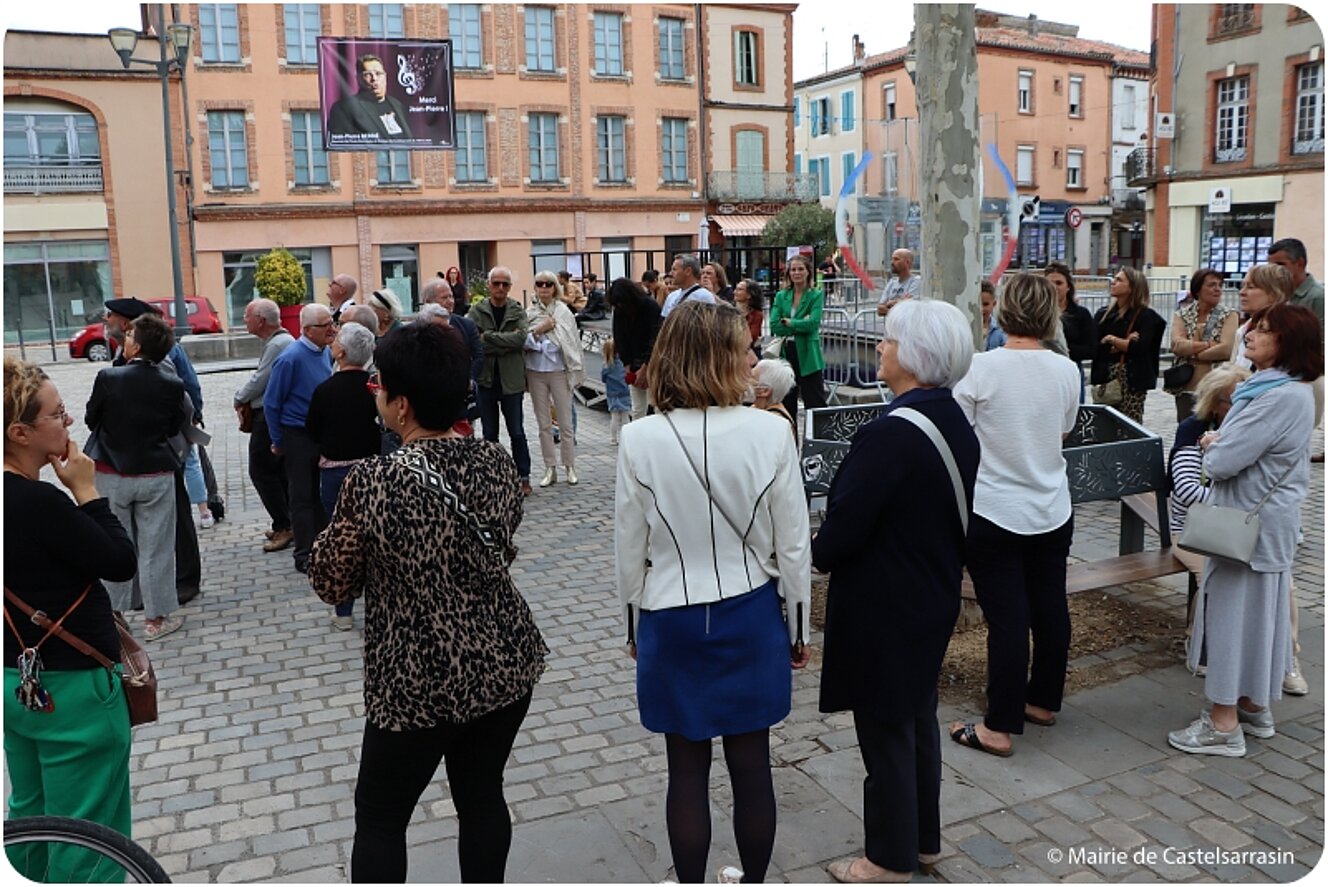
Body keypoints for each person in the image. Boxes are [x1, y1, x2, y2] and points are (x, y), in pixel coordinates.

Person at [309, 323, 547, 882]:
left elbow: (332, 583)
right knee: (482, 796)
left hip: (415, 677)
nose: (376, 394)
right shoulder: (494, 462)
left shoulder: (373, 481)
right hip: (502, 660)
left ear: (402, 404)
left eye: (380, 386)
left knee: (381, 816)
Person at [616, 301, 812, 886]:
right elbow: (795, 549)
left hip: (670, 614)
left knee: (685, 768)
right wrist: (799, 629)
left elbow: (629, 551)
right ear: (729, 358)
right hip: (749, 610)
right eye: (746, 347)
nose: (755, 356)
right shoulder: (772, 431)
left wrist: (632, 630)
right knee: (753, 766)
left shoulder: (638, 438)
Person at [814, 300, 978, 883]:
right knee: (916, 722)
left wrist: (814, 549)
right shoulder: (952, 418)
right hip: (929, 593)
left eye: (887, 340)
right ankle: (921, 841)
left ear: (913, 355)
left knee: (886, 731)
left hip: (885, 605)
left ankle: (886, 858)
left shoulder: (889, 434)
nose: (879, 348)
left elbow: (842, 529)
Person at [4, 357, 138, 881]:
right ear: (20, 432)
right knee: (87, 837)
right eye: (57, 414)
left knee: (33, 816)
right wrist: (86, 489)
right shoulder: (40, 503)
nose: (69, 423)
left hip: (17, 683)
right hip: (76, 691)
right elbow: (119, 561)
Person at [1168, 304, 1321, 756]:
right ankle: (1253, 705)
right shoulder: (1285, 390)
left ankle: (1222, 723)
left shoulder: (1274, 396)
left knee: (1233, 619)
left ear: (1288, 344)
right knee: (1260, 618)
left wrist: (1215, 442)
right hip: (1265, 525)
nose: (1251, 333)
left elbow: (1222, 463)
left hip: (1244, 527)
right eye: (1255, 325)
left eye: (1266, 330)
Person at [950, 273, 1081, 758]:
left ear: (1003, 311)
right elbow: (1064, 429)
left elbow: (961, 436)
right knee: (1050, 606)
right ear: (1051, 313)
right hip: (1050, 503)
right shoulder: (1067, 370)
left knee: (1007, 618)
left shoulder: (981, 368)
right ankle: (1043, 700)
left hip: (995, 508)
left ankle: (997, 726)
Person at [85, 312, 188, 640]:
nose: (124, 340)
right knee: (157, 547)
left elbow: (91, 418)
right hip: (156, 471)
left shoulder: (108, 377)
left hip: (112, 471)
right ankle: (155, 620)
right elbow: (173, 427)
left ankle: (114, 614)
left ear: (137, 344)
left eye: (129, 336)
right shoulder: (172, 383)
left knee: (115, 543)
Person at [305, 323, 381, 632]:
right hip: (371, 468)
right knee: (374, 536)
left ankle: (344, 610)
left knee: (342, 538)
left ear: (341, 352)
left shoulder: (325, 390)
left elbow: (312, 429)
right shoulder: (374, 387)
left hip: (336, 471)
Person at [264, 303, 336, 573]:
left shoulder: (325, 352)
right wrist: (278, 440)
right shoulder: (290, 358)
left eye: (331, 322)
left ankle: (321, 544)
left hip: (319, 432)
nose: (331, 329)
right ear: (306, 330)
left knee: (319, 493)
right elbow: (272, 402)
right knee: (303, 495)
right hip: (297, 434)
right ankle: (304, 553)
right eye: (324, 325)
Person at [234, 298, 297, 551]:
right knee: (276, 471)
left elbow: (261, 379)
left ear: (260, 320)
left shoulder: (279, 344)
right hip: (270, 414)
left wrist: (239, 397)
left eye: (247, 316)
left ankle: (285, 525)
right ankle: (287, 522)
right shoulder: (278, 342)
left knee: (261, 470)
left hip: (269, 416)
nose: (244, 320)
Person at [472, 267, 533, 496]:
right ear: (489, 285)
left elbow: (520, 339)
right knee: (489, 434)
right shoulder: (477, 310)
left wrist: (487, 337)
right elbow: (475, 344)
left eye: (505, 284)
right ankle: (493, 479)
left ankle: (523, 477)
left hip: (511, 380)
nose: (500, 288)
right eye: (496, 283)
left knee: (516, 431)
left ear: (509, 287)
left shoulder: (516, 309)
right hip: (486, 380)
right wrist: (504, 343)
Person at [524, 270, 584, 487]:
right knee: (543, 424)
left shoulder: (563, 311)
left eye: (548, 284)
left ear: (554, 287)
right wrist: (540, 330)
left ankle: (569, 465)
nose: (544, 288)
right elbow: (524, 341)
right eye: (539, 284)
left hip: (559, 371)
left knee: (566, 422)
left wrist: (543, 340)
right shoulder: (529, 312)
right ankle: (550, 468)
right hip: (535, 372)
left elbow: (570, 341)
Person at [1089, 267, 1166, 424]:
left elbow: (1139, 348)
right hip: (1105, 379)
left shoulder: (1147, 317)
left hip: (1132, 382)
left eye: (1119, 280)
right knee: (1104, 426)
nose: (1113, 282)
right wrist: (1121, 342)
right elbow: (1094, 347)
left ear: (1132, 287)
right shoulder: (1103, 315)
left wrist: (1111, 340)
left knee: (1129, 427)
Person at [1170, 268, 1238, 422]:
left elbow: (1226, 349)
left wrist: (1193, 352)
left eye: (1220, 285)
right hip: (1186, 386)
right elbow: (1176, 345)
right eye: (1212, 285)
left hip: (1215, 386)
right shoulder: (1182, 314)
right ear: (1198, 289)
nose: (1217, 289)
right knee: (1186, 428)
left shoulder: (1229, 315)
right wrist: (1209, 344)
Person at [769, 253, 828, 423]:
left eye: (800, 269)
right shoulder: (781, 295)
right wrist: (800, 323)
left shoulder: (815, 295)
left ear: (808, 272)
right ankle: (790, 443)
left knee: (815, 403)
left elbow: (813, 324)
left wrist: (789, 323)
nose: (797, 273)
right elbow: (774, 325)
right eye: (793, 269)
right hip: (786, 354)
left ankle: (818, 442)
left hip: (809, 353)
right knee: (787, 404)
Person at [609, 276, 662, 423]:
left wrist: (645, 366)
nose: (619, 307)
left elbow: (655, 338)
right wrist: (627, 366)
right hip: (633, 361)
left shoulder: (651, 307)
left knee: (657, 405)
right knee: (638, 407)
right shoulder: (620, 311)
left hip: (653, 361)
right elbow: (619, 338)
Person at [327, 53, 414, 141]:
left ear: (385, 77)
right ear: (358, 79)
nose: (374, 79)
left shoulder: (397, 105)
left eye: (378, 73)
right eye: (368, 74)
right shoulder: (344, 108)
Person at [1044, 261, 1095, 401]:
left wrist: (1064, 350)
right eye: (1050, 283)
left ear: (1068, 287)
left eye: (1059, 283)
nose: (1054, 287)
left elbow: (1091, 348)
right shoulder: (1036, 314)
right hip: (1043, 372)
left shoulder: (1081, 314)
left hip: (1071, 370)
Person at [1268, 237, 1325, 322]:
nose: (1274, 270)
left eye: (1280, 264)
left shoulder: (1319, 297)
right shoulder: (1277, 295)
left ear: (1300, 263)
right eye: (1270, 265)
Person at [751, 358, 797, 438]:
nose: (744, 380)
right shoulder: (758, 408)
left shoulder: (773, 421)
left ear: (764, 391)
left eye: (751, 377)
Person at [602, 338, 631, 445]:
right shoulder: (623, 364)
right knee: (625, 416)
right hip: (624, 392)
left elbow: (603, 378)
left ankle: (613, 439)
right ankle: (626, 438)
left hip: (612, 394)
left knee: (614, 417)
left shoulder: (607, 366)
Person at [875, 249, 920, 316]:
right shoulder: (892, 282)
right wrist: (901, 301)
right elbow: (880, 310)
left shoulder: (916, 281)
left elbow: (909, 307)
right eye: (892, 259)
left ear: (907, 262)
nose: (892, 262)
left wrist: (890, 304)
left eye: (896, 259)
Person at [734, 278, 766, 347]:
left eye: (740, 289)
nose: (735, 292)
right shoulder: (730, 311)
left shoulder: (756, 315)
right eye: (736, 289)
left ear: (749, 295)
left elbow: (751, 338)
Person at [980, 280, 1006, 351]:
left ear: (994, 304)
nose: (981, 309)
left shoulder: (1000, 331)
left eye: (985, 304)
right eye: (978, 304)